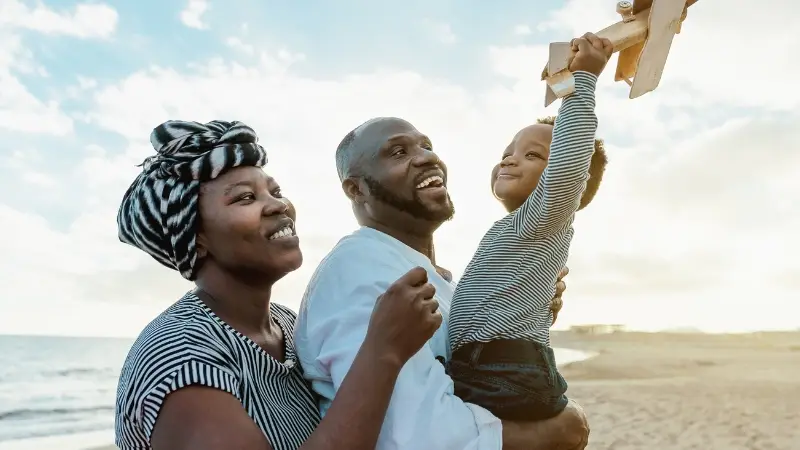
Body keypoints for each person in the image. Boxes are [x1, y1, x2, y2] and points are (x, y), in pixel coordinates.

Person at [293, 34, 599, 444]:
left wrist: (527, 309)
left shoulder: (440, 278)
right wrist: (556, 432)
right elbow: (416, 434)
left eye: (427, 146)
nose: (426, 157)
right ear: (356, 190)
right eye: (398, 152)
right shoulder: (359, 267)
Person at [113, 119, 443, 450]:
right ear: (195, 239)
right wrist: (382, 351)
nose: (278, 205)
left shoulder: (288, 324)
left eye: (276, 191)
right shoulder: (181, 357)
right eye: (244, 198)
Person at [446, 32, 613, 421]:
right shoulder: (519, 229)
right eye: (506, 153)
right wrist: (559, 82)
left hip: (504, 370)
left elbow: (570, 162)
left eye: (532, 155)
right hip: (484, 367)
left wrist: (581, 81)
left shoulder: (543, 217)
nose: (508, 161)